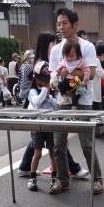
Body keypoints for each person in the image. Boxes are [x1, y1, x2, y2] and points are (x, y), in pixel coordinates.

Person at [17, 32, 88, 179]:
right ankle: (73, 168)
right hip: (40, 106)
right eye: (53, 43)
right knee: (55, 140)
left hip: (48, 105)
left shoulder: (47, 60)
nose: (55, 46)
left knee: (45, 140)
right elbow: (51, 82)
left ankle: (25, 166)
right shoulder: (42, 64)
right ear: (46, 44)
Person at [49, 7, 103, 195]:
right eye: (58, 24)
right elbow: (53, 75)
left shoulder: (87, 47)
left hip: (84, 99)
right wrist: (59, 84)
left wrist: (70, 76)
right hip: (62, 100)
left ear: (74, 25)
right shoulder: (56, 49)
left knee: (86, 142)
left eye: (64, 23)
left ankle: (97, 180)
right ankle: (63, 180)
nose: (61, 27)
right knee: (58, 143)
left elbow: (92, 71)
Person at [26, 60, 60, 194]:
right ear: (37, 78)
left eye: (47, 80)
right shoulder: (33, 91)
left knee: (53, 152)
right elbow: (36, 103)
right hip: (37, 125)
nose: (46, 82)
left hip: (50, 124)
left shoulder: (49, 92)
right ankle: (32, 177)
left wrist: (50, 97)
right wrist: (45, 90)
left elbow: (57, 106)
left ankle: (54, 177)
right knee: (38, 153)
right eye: (44, 79)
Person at [54, 40, 91, 108]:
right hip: (67, 81)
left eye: (72, 56)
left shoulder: (81, 61)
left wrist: (84, 81)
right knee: (60, 84)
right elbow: (58, 68)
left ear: (78, 54)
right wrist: (56, 73)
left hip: (76, 80)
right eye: (67, 56)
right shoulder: (65, 61)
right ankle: (64, 97)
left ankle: (74, 105)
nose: (69, 58)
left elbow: (87, 71)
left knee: (77, 93)